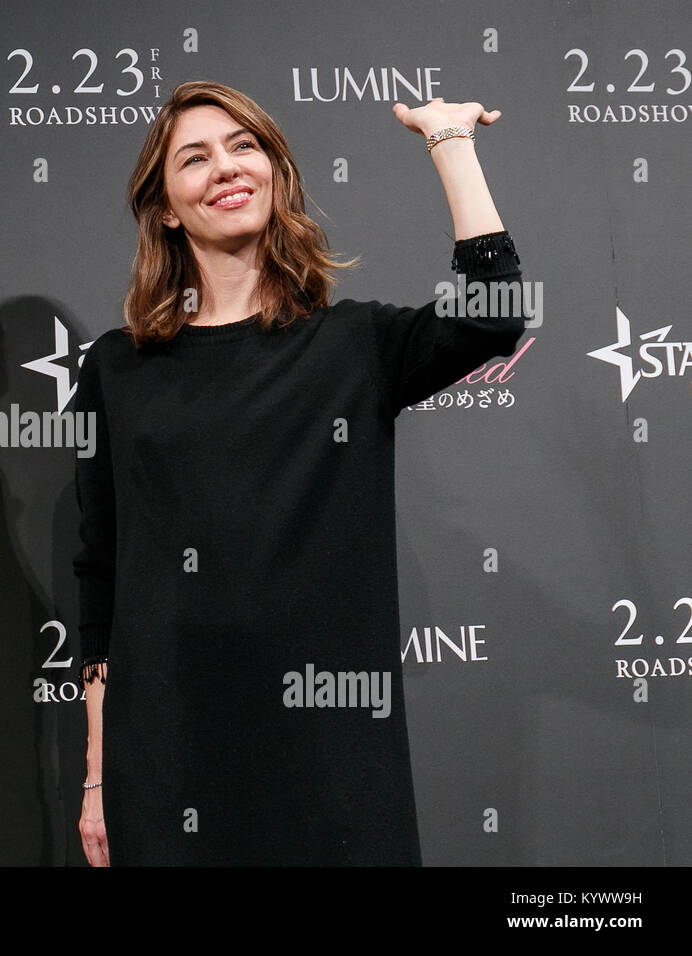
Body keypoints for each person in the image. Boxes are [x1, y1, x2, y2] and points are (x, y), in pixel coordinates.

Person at [74, 81, 525, 866]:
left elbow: (492, 315)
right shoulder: (119, 367)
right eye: (195, 158)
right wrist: (95, 777)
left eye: (244, 147)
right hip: (168, 752)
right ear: (168, 207)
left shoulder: (355, 346)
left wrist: (450, 143)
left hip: (331, 752)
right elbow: (101, 575)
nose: (225, 167)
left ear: (275, 173)